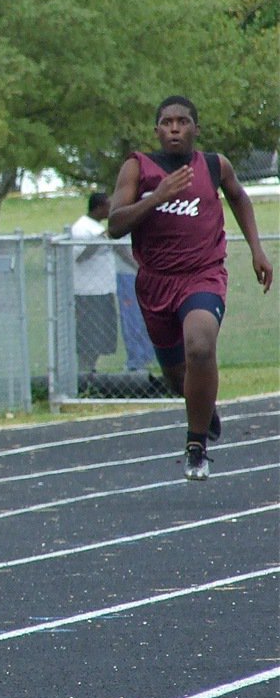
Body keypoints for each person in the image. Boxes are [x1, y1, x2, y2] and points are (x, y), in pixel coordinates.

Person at [108, 95, 272, 481]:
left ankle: (196, 446)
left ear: (196, 128)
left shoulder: (214, 165)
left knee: (200, 345)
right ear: (157, 130)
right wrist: (158, 197)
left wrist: (257, 249)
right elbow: (114, 225)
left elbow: (238, 197)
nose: (175, 128)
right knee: (176, 376)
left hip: (203, 274)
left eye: (183, 122)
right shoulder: (138, 167)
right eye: (167, 122)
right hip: (156, 282)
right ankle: (203, 405)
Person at [70, 192, 118, 373]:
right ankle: (84, 371)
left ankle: (91, 369)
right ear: (98, 208)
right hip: (88, 293)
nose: (111, 209)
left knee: (101, 337)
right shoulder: (82, 228)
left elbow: (119, 251)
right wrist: (100, 238)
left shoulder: (99, 228)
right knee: (89, 336)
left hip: (104, 290)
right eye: (108, 206)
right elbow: (80, 256)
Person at [113, 237, 153, 371]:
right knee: (132, 319)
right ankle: (135, 361)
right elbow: (119, 247)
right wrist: (139, 266)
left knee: (148, 317)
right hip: (128, 275)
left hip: (149, 276)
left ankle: (148, 357)